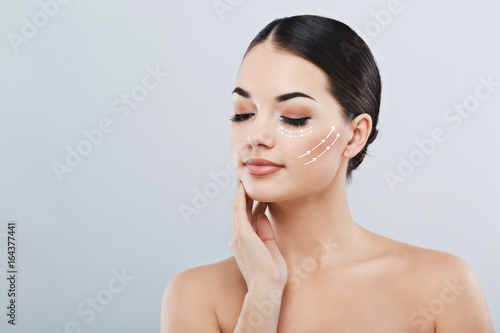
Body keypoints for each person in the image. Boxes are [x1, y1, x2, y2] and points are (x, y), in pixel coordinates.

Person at [161, 15, 494, 332]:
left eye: (293, 117)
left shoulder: (443, 287)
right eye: (243, 113)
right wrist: (263, 295)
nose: (255, 136)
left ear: (354, 135)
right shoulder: (195, 297)